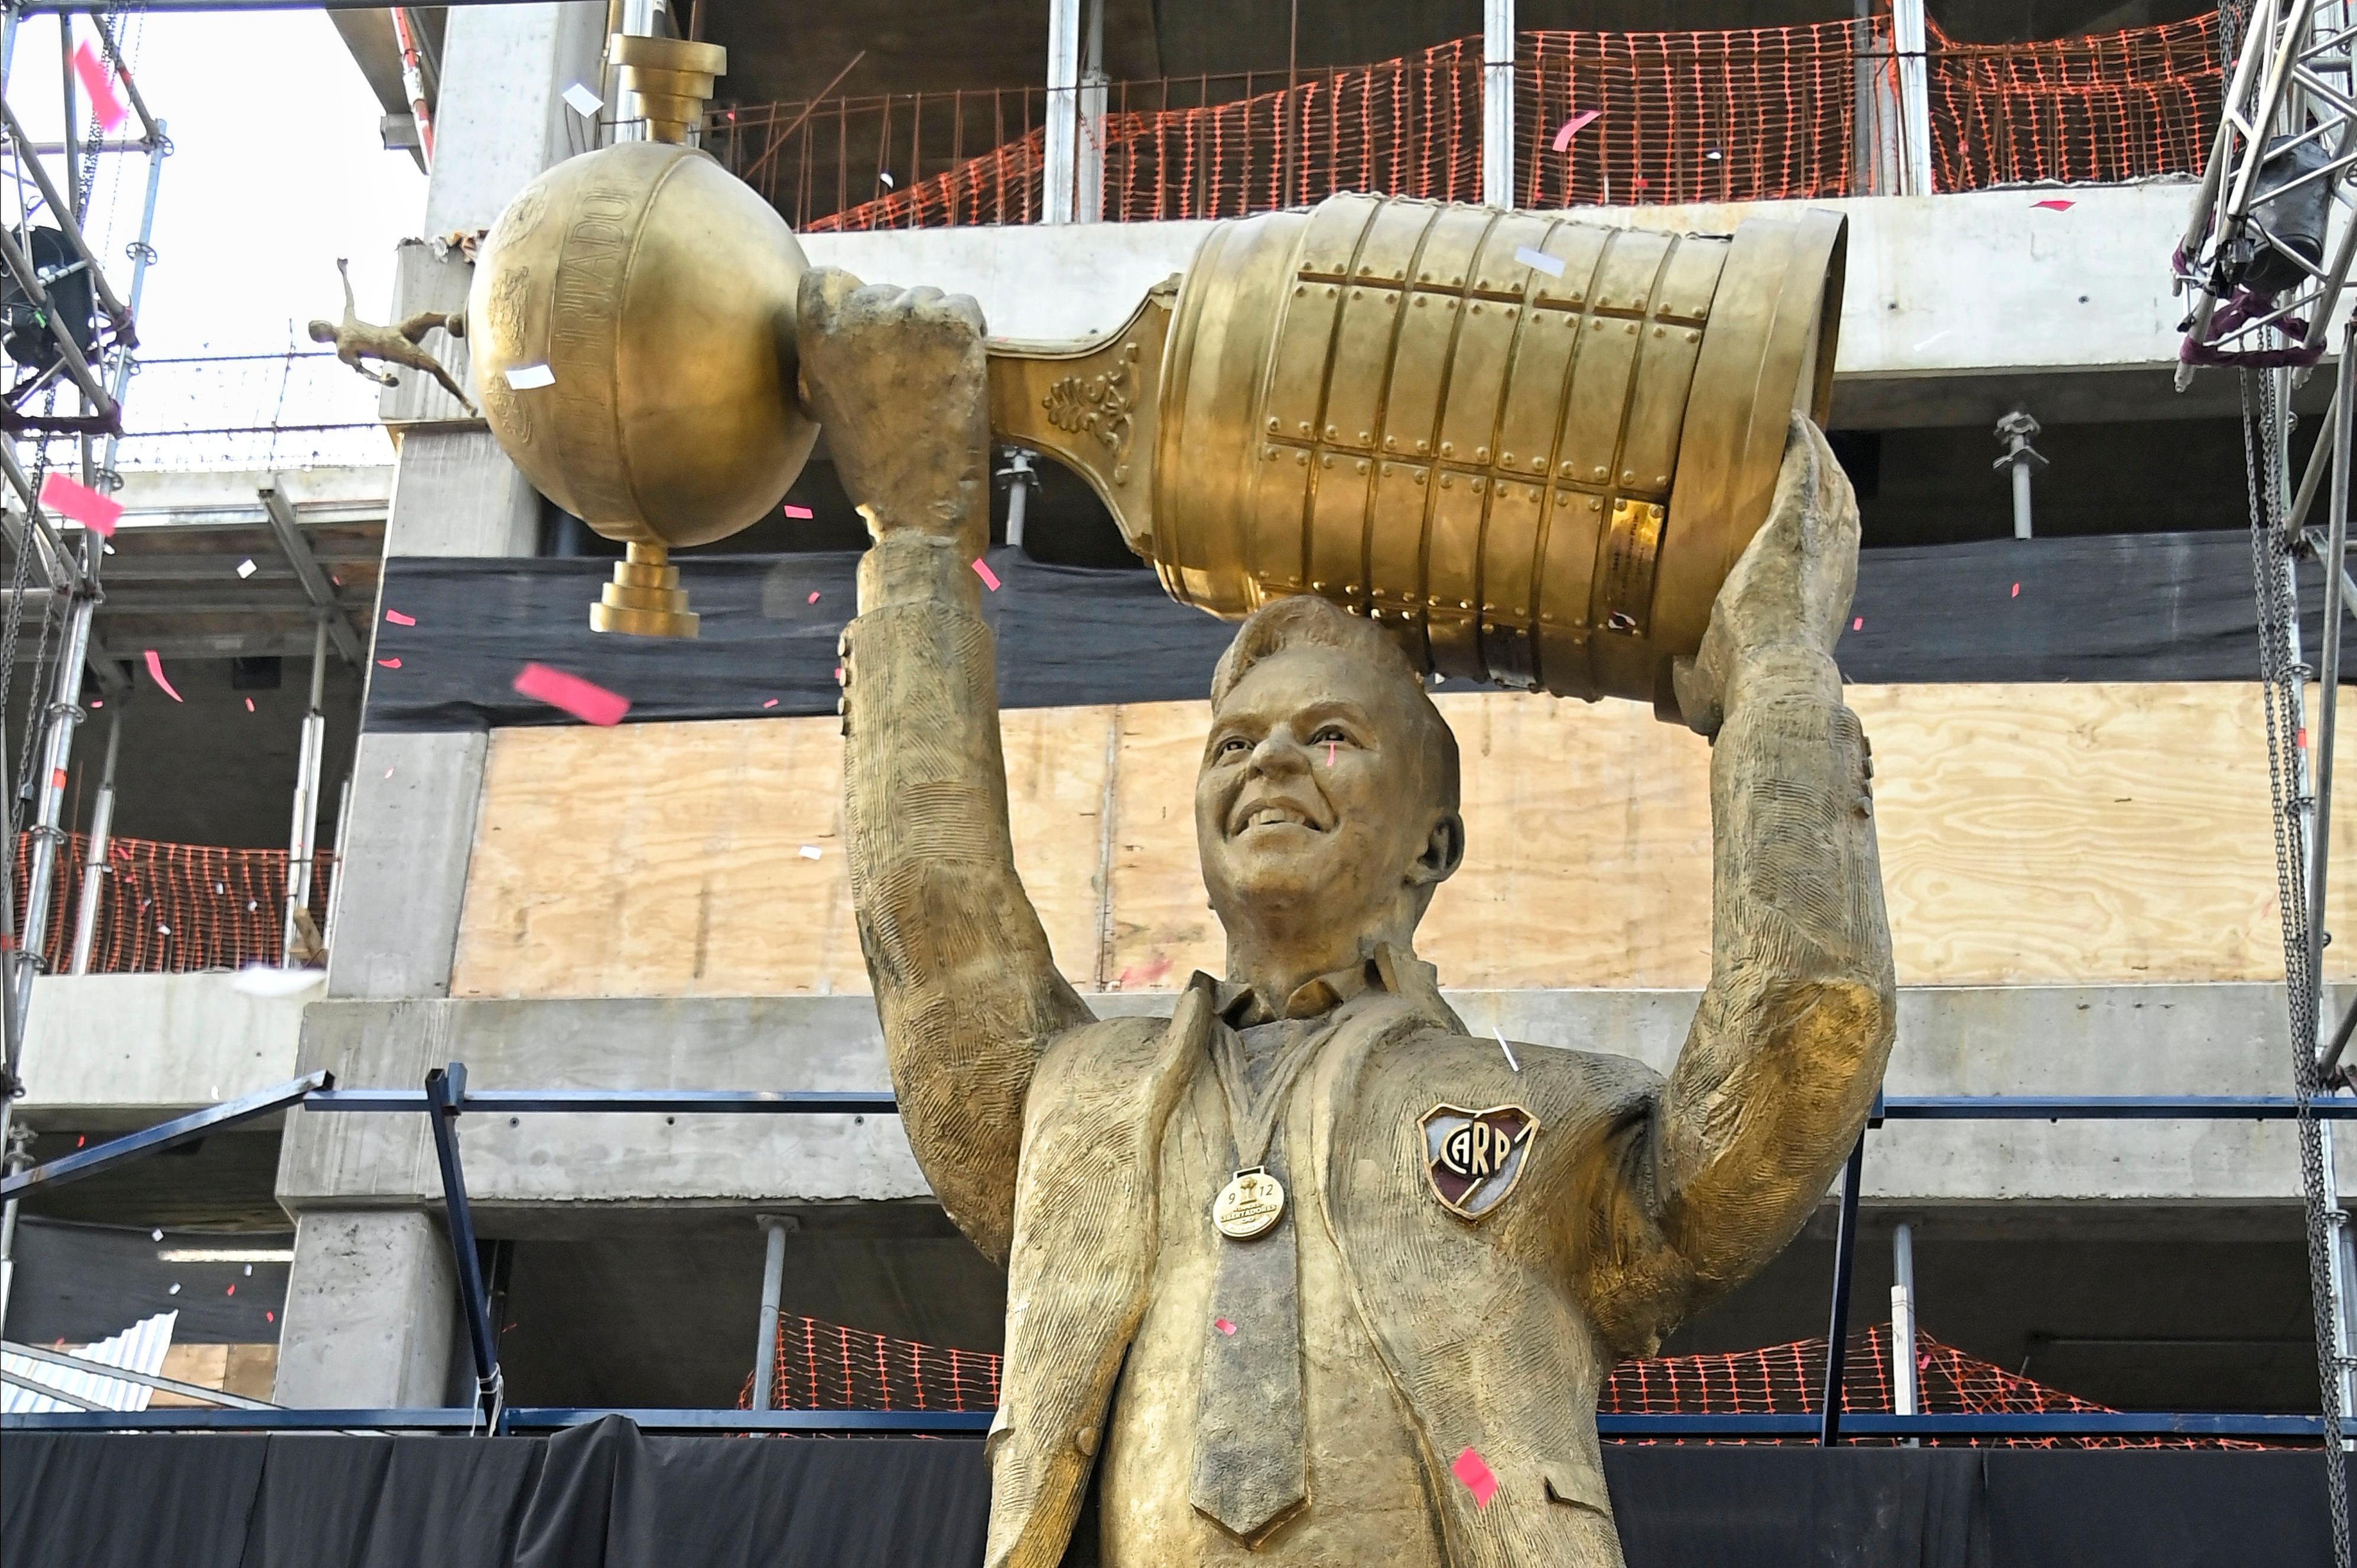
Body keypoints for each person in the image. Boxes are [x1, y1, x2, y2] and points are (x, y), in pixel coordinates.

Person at [802, 268, 1896, 1568]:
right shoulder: (1070, 1108)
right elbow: (935, 927)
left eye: (1328, 738)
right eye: (1234, 744)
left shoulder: (1548, 1121)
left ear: (1431, 840)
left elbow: (1802, 1035)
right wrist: (919, 549)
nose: (1267, 764)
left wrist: (1772, 675)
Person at [308, 257, 474, 414]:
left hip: (394, 331)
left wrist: (344, 273)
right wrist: (381, 379)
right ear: (322, 338)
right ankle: (464, 400)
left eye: (322, 324)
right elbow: (361, 370)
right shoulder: (343, 350)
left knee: (426, 317)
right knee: (434, 367)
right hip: (393, 349)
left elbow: (349, 298)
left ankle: (454, 322)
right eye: (320, 330)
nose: (325, 327)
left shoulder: (347, 320)